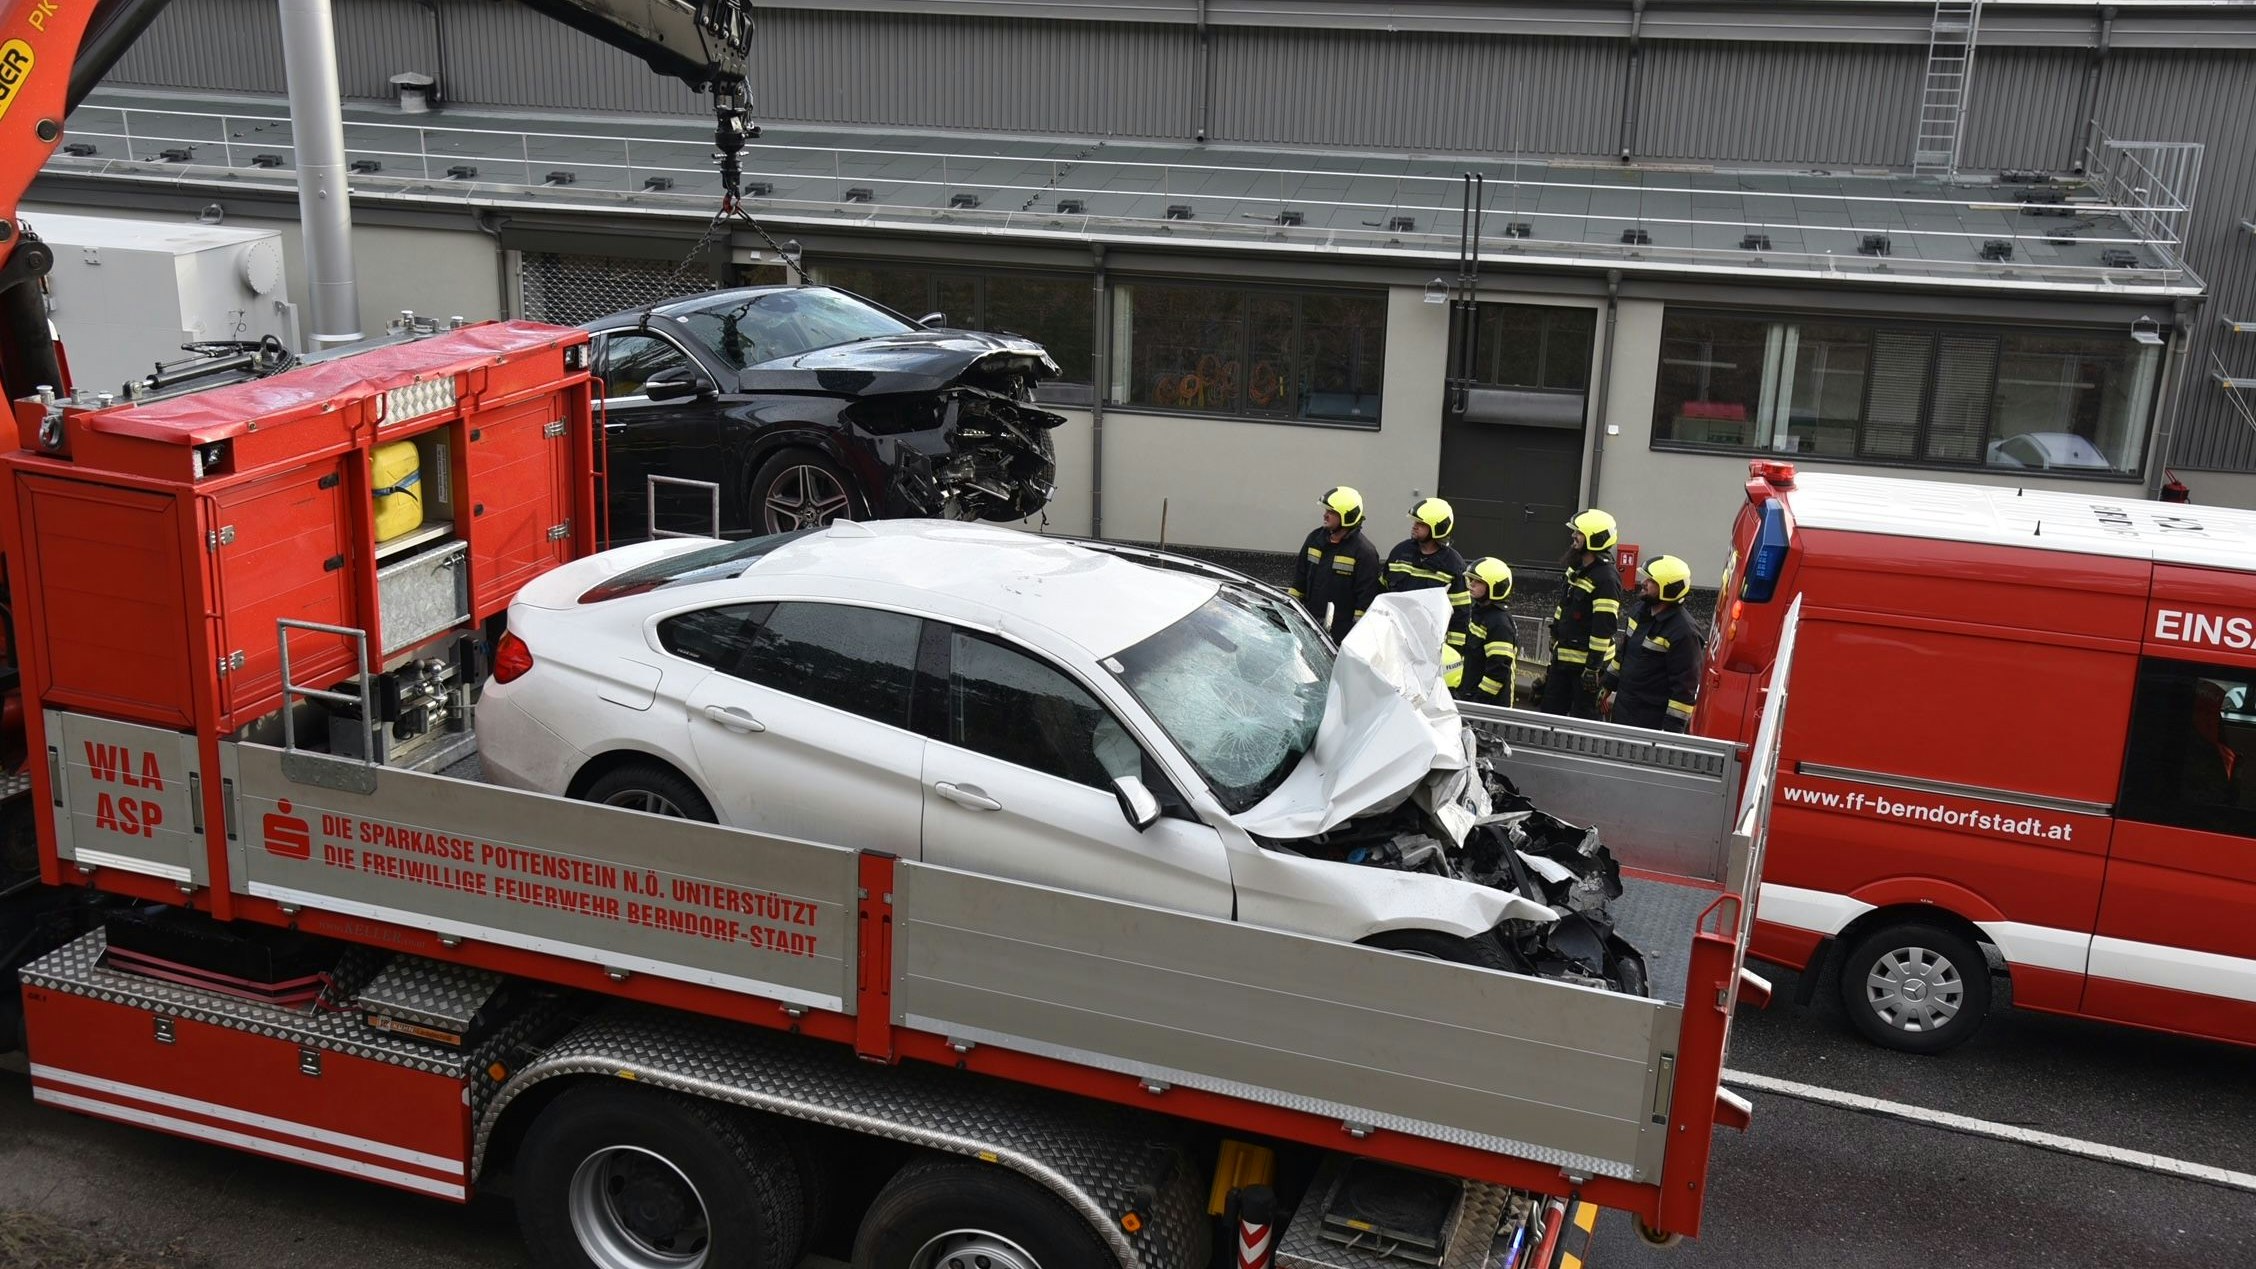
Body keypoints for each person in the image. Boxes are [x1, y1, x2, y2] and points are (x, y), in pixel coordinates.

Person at [1538, 508, 1622, 719]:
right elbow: (1563, 607)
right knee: (1549, 712)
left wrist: (1593, 668)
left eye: (1579, 533)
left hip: (1587, 670)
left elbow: (1603, 628)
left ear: (1594, 538)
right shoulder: (1575, 569)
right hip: (1563, 660)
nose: (1573, 536)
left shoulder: (1606, 579)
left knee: (1584, 721)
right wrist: (1555, 636)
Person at [1607, 554, 1701, 732]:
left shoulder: (1684, 632)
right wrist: (1607, 684)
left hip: (1650, 723)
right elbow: (1623, 653)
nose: (1644, 583)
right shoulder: (1640, 611)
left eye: (1651, 581)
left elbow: (1684, 689)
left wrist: (1670, 733)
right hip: (1623, 710)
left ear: (1669, 589)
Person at [1287, 486, 1381, 643]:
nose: (1325, 515)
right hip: (1308, 622)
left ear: (1347, 516)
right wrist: (1288, 612)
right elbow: (1299, 580)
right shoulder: (1315, 539)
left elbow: (1365, 600)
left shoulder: (1364, 552)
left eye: (1331, 512)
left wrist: (1355, 637)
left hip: (1340, 634)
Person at [1382, 499, 1471, 642]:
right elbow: (1380, 592)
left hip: (1429, 644)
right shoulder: (1400, 552)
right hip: (1393, 638)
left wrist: (1454, 651)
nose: (1414, 526)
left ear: (1438, 527)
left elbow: (1460, 615)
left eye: (1421, 524)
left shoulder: (1453, 566)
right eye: (1415, 522)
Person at [1455, 557, 1518, 706]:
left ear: (1495, 587)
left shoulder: (1499, 623)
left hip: (1489, 706)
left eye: (1478, 582)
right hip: (1471, 697)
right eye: (1471, 580)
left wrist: (1479, 701)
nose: (1472, 584)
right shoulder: (1480, 613)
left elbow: (1498, 670)